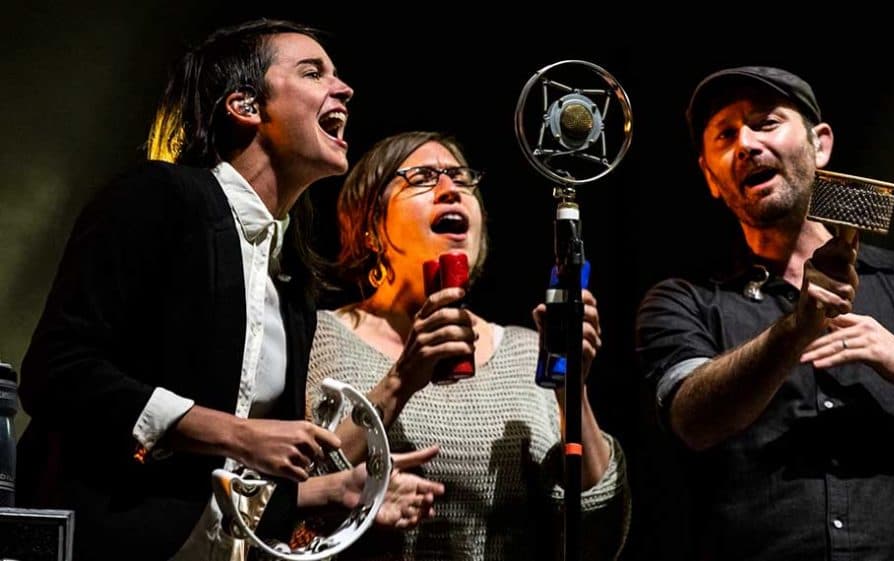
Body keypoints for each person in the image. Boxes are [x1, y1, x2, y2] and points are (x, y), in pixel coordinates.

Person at [15, 19, 435, 560]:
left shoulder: (291, 281)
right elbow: (57, 372)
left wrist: (334, 491)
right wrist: (235, 433)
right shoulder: (158, 197)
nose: (345, 88)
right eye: (313, 72)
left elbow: (219, 482)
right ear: (245, 105)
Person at [634, 66, 894, 560]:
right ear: (711, 176)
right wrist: (797, 327)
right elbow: (693, 421)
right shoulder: (683, 301)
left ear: (821, 144)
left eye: (766, 123)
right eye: (725, 135)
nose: (746, 144)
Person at [305, 131, 631, 560]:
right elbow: (290, 498)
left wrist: (571, 389)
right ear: (369, 226)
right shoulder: (319, 337)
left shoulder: (524, 351)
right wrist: (401, 381)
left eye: (461, 179)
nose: (450, 190)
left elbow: (597, 532)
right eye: (422, 177)